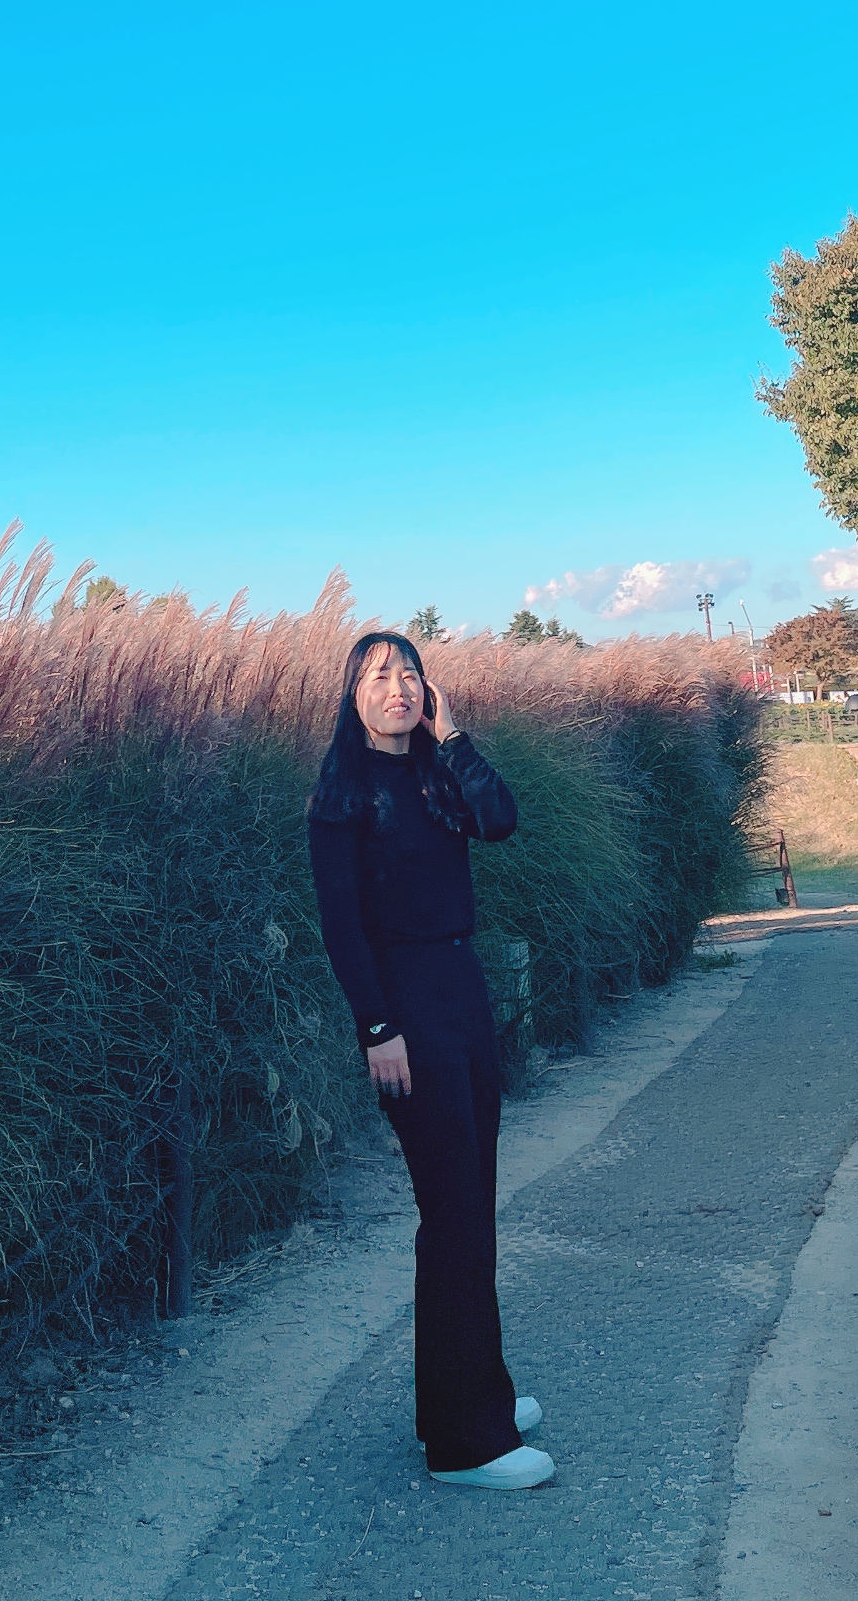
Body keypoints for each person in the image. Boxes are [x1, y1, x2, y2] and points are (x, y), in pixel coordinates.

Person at [305, 630, 554, 1490]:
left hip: (460, 986)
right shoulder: (341, 796)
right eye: (380, 677)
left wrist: (452, 737)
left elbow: (501, 820)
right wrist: (378, 1029)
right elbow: (342, 929)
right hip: (405, 1006)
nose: (399, 688)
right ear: (353, 696)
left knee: (474, 1201)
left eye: (410, 674)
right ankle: (463, 1443)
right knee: (451, 1213)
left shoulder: (436, 773)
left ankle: (472, 1394)